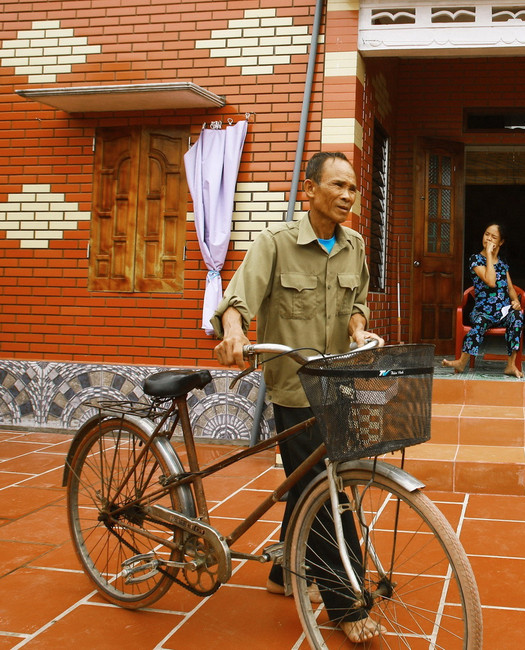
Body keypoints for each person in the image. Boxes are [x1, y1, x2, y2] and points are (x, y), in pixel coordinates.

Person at [211, 151, 384, 644]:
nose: (348, 196)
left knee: (308, 478)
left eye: (353, 188)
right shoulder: (275, 243)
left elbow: (357, 304)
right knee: (326, 493)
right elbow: (237, 301)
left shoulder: (354, 245)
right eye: (337, 185)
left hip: (338, 385)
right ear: (309, 190)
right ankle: (346, 604)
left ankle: (281, 571)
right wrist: (233, 332)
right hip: (294, 388)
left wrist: (358, 331)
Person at [442, 222, 524, 378]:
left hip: (502, 313)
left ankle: (511, 365)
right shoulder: (475, 259)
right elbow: (490, 281)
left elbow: (510, 288)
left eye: (494, 237)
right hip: (482, 311)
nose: (489, 239)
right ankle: (461, 362)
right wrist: (489, 255)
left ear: (501, 242)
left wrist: (515, 301)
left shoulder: (503, 263)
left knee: (517, 316)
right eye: (487, 234)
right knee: (480, 322)